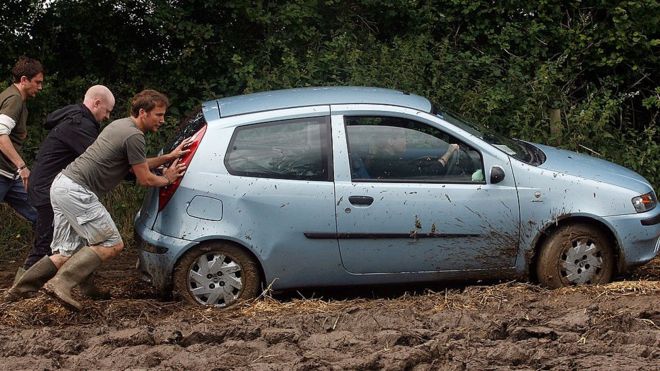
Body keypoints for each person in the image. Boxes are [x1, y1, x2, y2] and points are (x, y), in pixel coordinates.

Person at [8, 89, 190, 310]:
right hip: (76, 190)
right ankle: (60, 283)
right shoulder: (134, 136)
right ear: (143, 112)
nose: (162, 120)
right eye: (159, 115)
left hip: (62, 184)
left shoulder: (121, 125)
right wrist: (167, 178)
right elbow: (144, 178)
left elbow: (138, 164)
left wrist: (168, 157)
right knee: (111, 243)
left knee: (65, 252)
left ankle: (19, 290)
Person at [8, 86, 115, 298]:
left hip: (50, 186)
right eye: (108, 111)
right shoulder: (80, 125)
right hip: (48, 189)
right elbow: (98, 159)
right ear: (96, 103)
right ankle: (18, 291)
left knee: (79, 238)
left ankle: (86, 287)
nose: (107, 116)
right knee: (46, 241)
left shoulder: (76, 119)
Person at [0, 57, 44, 241]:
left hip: (9, 176)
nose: (40, 87)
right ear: (24, 80)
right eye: (37, 82)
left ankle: (43, 260)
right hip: (2, 173)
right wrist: (21, 166)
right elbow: (1, 135)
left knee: (41, 213)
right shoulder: (14, 99)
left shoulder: (14, 98)